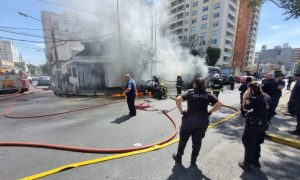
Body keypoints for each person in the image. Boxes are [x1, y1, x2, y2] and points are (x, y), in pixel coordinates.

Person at [172, 78, 223, 166]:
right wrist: (209, 112)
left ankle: (179, 157)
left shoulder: (190, 92)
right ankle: (193, 160)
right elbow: (219, 104)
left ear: (195, 84)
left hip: (189, 120)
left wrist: (181, 111)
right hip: (202, 121)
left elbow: (177, 99)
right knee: (197, 141)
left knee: (183, 139)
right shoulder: (208, 94)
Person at [239, 82, 271, 172]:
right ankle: (256, 161)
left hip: (253, 125)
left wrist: (244, 97)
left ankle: (247, 164)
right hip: (264, 124)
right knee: (257, 143)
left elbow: (245, 108)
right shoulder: (267, 97)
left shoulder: (253, 98)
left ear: (251, 89)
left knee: (249, 143)